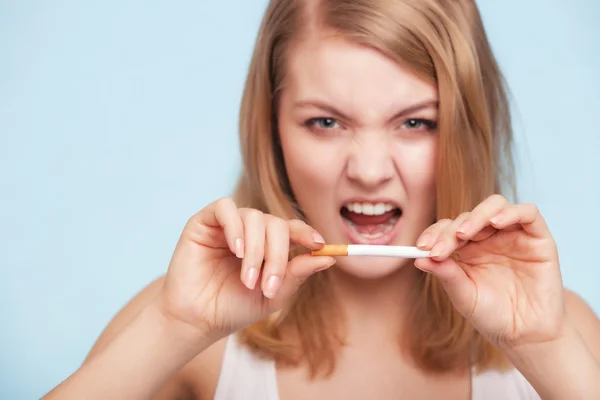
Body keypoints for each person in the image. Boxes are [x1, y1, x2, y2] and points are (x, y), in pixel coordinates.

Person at [44, 0, 600, 399]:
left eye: (415, 122)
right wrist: (172, 329)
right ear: (272, 132)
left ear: (466, 131)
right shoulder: (190, 330)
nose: (369, 171)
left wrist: (549, 353)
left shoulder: (557, 332)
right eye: (326, 121)